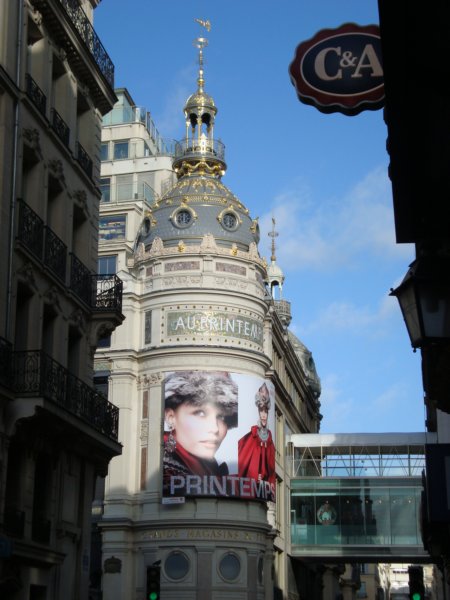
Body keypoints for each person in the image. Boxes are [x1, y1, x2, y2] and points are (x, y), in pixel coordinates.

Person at [163, 371, 238, 495]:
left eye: (221, 417)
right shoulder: (163, 466)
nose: (215, 428)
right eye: (201, 413)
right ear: (171, 417)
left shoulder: (210, 467)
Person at [238, 382, 275, 496]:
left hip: (264, 488)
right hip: (251, 487)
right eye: (261, 411)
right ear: (258, 412)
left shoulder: (269, 437)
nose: (264, 415)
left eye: (266, 412)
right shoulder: (252, 436)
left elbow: (271, 465)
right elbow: (244, 458)